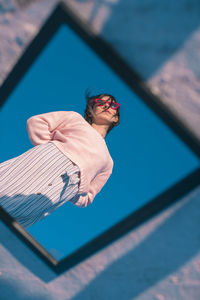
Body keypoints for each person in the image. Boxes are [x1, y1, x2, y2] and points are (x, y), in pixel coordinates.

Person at [0, 92, 120, 228]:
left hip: (59, 190)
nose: (106, 106)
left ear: (116, 118)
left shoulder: (108, 162)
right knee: (6, 184)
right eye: (101, 102)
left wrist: (73, 190)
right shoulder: (75, 119)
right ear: (92, 109)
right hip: (41, 162)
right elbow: (37, 121)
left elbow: (88, 196)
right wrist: (50, 147)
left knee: (14, 219)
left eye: (112, 105)